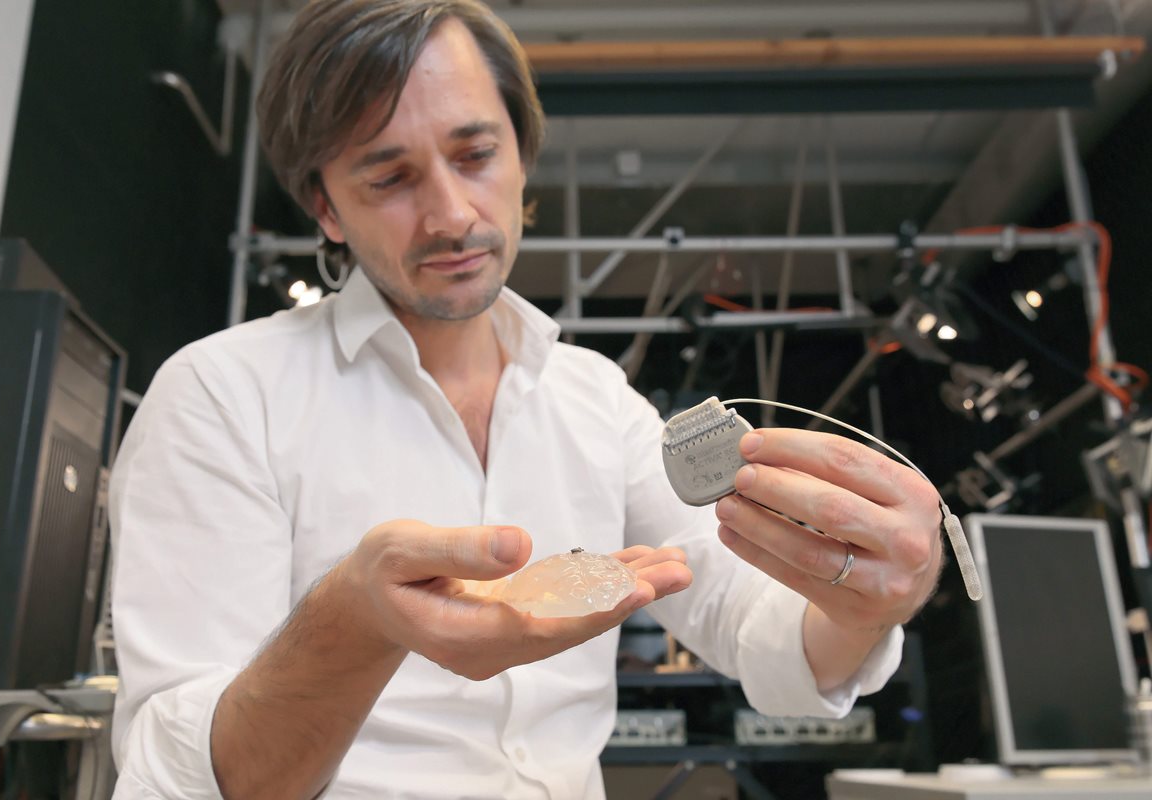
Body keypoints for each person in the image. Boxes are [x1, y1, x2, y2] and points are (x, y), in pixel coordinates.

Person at [108, 1, 944, 797]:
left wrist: (865, 603)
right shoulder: (221, 397)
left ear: (521, 150)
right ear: (325, 205)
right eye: (390, 176)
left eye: (475, 156)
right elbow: (193, 782)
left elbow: (751, 626)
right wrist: (356, 618)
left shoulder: (596, 398)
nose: (451, 214)